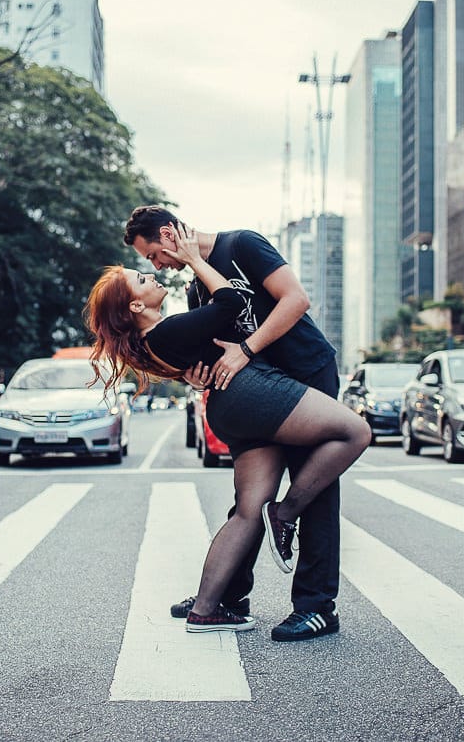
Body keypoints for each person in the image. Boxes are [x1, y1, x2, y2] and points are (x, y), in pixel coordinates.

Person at [119, 209, 358, 641]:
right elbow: (208, 348)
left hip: (306, 371)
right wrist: (196, 374)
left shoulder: (241, 245)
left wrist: (246, 349)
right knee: (249, 499)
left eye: (154, 254)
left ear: (170, 235)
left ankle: (316, 606)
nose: (156, 266)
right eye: (149, 263)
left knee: (315, 487)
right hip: (261, 389)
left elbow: (296, 300)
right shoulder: (198, 285)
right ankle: (226, 595)